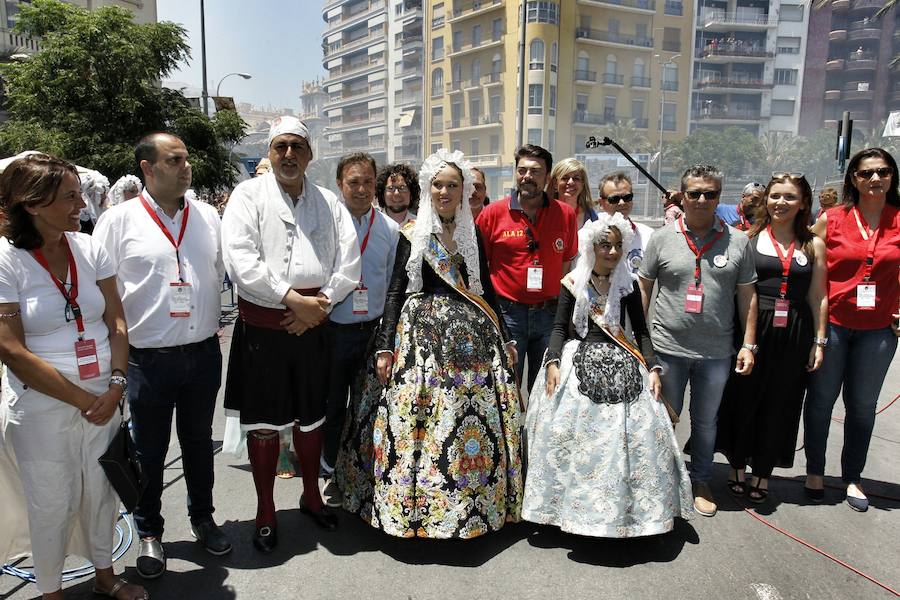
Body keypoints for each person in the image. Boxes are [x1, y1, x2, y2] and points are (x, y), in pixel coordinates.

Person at [334, 148, 523, 539]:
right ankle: (411, 506)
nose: (444, 191)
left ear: (464, 190)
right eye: (438, 184)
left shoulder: (472, 236)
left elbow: (485, 288)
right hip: (420, 338)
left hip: (472, 343)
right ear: (428, 188)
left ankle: (471, 503)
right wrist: (385, 346)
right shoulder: (413, 234)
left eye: (453, 185)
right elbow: (394, 292)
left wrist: (505, 337)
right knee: (414, 423)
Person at [0, 155, 147, 600]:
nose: (80, 204)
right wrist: (83, 398)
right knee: (52, 502)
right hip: (43, 406)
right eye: (69, 196)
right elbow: (10, 348)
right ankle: (51, 592)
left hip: (105, 394)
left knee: (102, 492)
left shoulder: (88, 246)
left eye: (79, 193)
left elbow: (117, 320)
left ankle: (106, 576)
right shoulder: (7, 260)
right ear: (34, 204)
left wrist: (116, 384)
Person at [93, 133, 230, 579]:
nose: (186, 166)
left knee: (197, 445)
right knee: (148, 451)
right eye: (175, 160)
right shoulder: (118, 221)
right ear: (148, 168)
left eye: (187, 159)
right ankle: (149, 531)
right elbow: (104, 293)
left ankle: (203, 519)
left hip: (203, 353)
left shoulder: (208, 215)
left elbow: (216, 275)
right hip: (147, 360)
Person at [221, 116, 360, 552]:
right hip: (266, 326)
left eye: (297, 147)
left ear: (309, 155)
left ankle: (311, 496)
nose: (288, 155)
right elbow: (240, 259)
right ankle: (265, 510)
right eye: (280, 146)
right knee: (264, 426)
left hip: (315, 323)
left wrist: (318, 306)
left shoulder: (328, 202)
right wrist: (290, 298)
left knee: (312, 416)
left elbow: (348, 261)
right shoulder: (248, 195)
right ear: (269, 151)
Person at [523, 213, 693, 537]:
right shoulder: (573, 282)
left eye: (617, 246)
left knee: (639, 434)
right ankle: (564, 509)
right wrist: (553, 362)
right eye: (605, 245)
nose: (612, 252)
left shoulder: (626, 284)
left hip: (622, 359)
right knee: (561, 433)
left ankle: (630, 513)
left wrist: (653, 367)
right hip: (577, 359)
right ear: (592, 246)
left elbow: (641, 332)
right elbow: (559, 327)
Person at [638, 164, 758, 518]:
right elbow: (644, 287)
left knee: (706, 422)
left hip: (716, 352)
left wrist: (748, 345)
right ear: (682, 195)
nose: (702, 200)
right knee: (663, 419)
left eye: (710, 194)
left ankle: (701, 479)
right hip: (666, 348)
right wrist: (638, 341)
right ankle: (659, 479)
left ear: (720, 198)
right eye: (694, 193)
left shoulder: (738, 240)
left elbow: (747, 296)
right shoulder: (662, 238)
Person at [715, 174, 828, 504]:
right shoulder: (748, 238)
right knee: (744, 397)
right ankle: (737, 465)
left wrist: (819, 341)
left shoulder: (813, 244)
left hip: (794, 330)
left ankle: (763, 472)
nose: (781, 202)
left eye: (790, 197)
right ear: (766, 200)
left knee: (782, 403)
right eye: (775, 196)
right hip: (753, 326)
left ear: (804, 202)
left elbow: (818, 296)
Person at [805, 148, 900, 512]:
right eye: (866, 173)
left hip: (878, 331)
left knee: (862, 406)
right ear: (854, 179)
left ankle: (853, 477)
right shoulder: (833, 218)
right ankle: (815, 471)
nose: (875, 179)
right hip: (832, 326)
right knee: (821, 400)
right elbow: (803, 258)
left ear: (892, 177)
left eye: (883, 172)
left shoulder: (898, 219)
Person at [321, 152, 399, 506]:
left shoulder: (390, 229)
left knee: (369, 406)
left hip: (374, 333)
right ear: (340, 184)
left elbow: (395, 283)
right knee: (334, 404)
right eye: (354, 182)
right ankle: (331, 471)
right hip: (335, 330)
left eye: (368, 181)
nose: (362, 189)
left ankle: (364, 471)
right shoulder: (326, 225)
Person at [477, 144, 578, 393]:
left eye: (535, 171)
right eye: (522, 170)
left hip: (549, 316)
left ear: (548, 177)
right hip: (508, 315)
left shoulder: (565, 214)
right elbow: (480, 267)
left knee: (545, 390)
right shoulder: (492, 214)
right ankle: (509, 433)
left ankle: (533, 434)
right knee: (504, 387)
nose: (527, 176)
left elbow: (566, 264)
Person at [597, 172, 653, 275]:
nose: (622, 203)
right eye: (614, 199)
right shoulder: (590, 236)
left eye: (627, 197)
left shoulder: (648, 235)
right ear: (601, 203)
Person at [549, 158, 596, 227]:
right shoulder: (544, 213)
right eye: (564, 178)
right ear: (555, 183)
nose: (570, 182)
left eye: (576, 178)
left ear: (582, 184)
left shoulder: (591, 215)